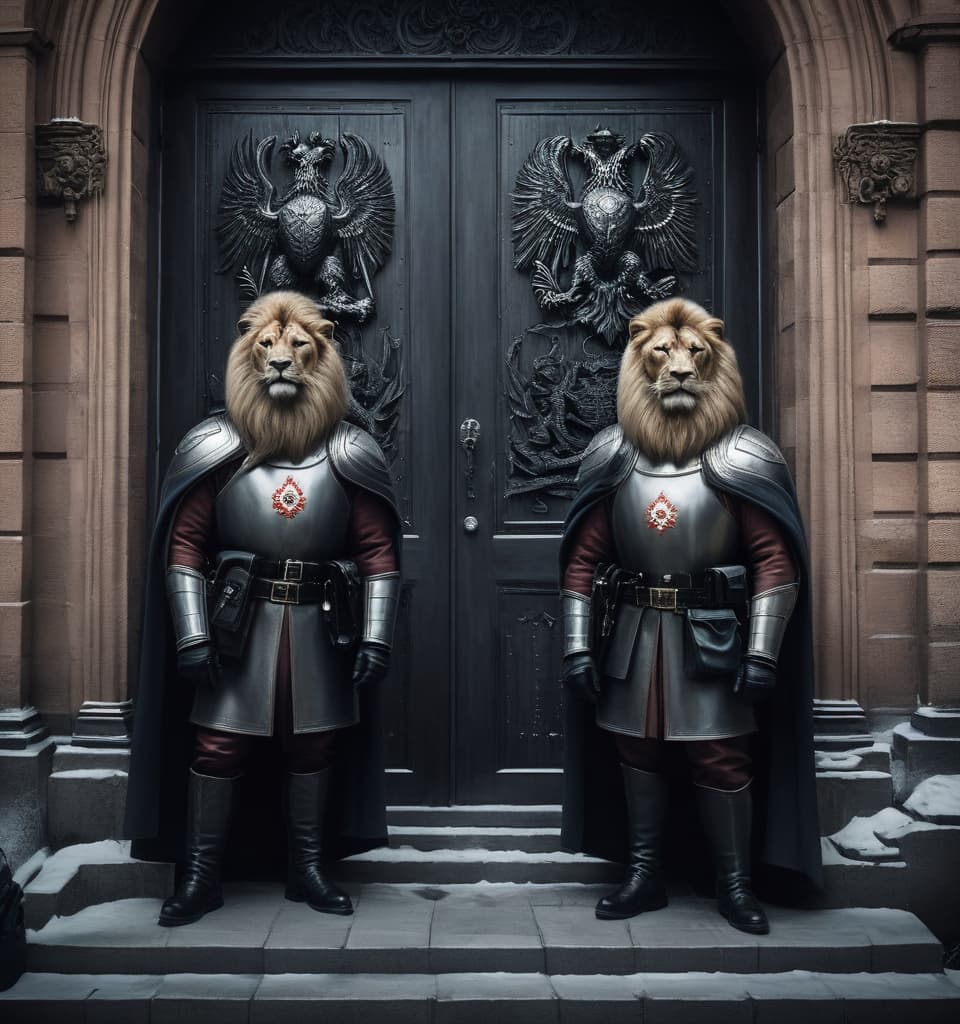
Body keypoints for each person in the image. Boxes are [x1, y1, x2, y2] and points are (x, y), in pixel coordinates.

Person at [124, 290, 401, 925]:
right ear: (247, 356)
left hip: (318, 623)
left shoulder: (349, 449)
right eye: (266, 347)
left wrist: (376, 638)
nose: (281, 357)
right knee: (218, 747)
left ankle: (307, 870)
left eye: (298, 345)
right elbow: (185, 545)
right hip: (234, 628)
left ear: (322, 353)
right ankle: (200, 877)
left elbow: (377, 549)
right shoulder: (215, 445)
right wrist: (191, 634)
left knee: (316, 749)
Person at [559, 297, 821, 933]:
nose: (678, 366)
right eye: (661, 353)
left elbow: (772, 561)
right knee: (635, 753)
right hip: (632, 637)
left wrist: (762, 652)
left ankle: (736, 886)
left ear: (715, 360)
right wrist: (576, 645)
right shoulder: (611, 454)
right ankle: (643, 875)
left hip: (714, 641)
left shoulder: (744, 456)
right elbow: (582, 560)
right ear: (639, 360)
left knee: (721, 759)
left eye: (694, 353)